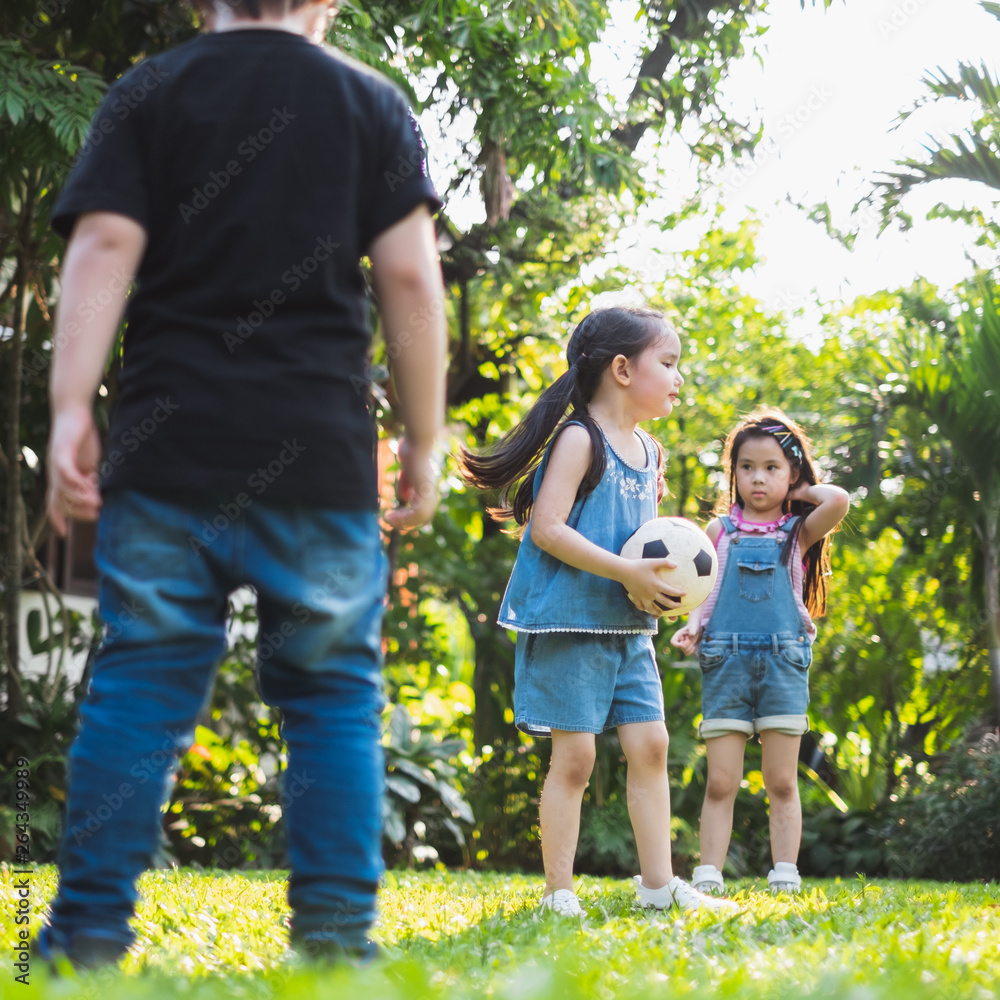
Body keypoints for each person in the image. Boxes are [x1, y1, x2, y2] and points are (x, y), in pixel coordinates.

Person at [39, 0, 446, 968]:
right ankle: (338, 943)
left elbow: (101, 248)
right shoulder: (369, 104)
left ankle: (89, 933)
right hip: (319, 461)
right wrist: (424, 441)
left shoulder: (150, 92)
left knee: (139, 681)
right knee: (334, 694)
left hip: (169, 455)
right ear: (328, 2)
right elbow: (410, 282)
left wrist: (69, 408)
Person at [460, 307, 736, 917]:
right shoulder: (581, 438)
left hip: (626, 627)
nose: (677, 378)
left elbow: (645, 543)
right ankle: (559, 891)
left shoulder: (649, 450)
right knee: (577, 757)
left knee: (652, 745)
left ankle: (658, 885)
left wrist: (657, 588)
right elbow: (548, 531)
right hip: (568, 620)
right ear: (620, 369)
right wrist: (628, 574)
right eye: (668, 363)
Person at [671, 408, 849, 896]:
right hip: (725, 663)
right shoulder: (717, 533)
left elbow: (838, 500)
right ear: (734, 473)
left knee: (782, 782)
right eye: (747, 467)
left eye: (772, 467)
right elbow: (702, 592)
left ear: (791, 474)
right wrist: (691, 629)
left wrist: (799, 491)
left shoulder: (797, 533)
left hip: (782, 663)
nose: (757, 478)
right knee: (721, 781)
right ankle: (709, 873)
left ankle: (785, 872)